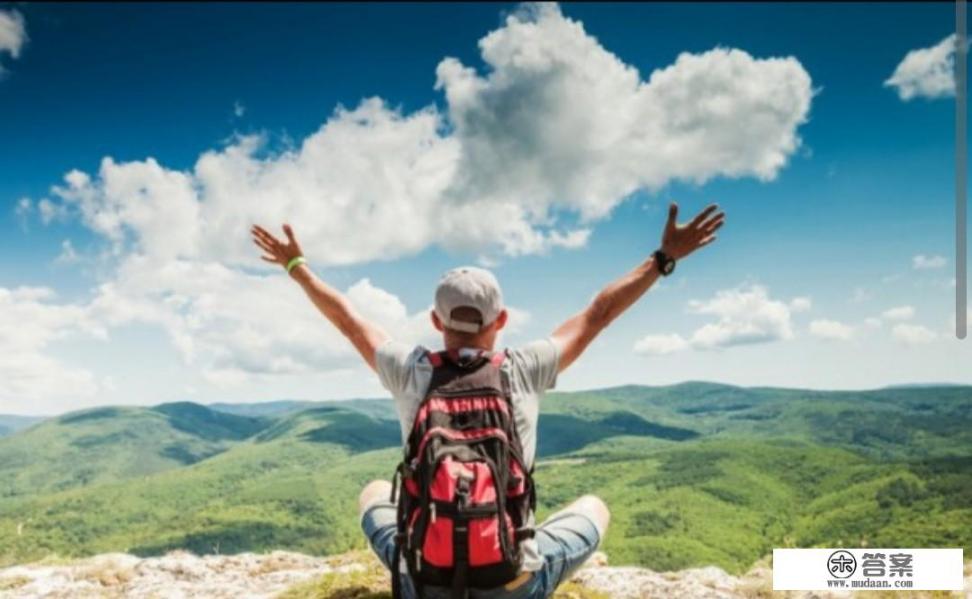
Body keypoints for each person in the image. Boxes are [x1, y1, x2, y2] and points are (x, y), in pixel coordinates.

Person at [250, 202, 724, 598]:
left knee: (374, 493)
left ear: (436, 323)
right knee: (595, 506)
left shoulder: (409, 370)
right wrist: (663, 257)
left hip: (425, 583)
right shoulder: (524, 368)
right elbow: (597, 314)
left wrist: (297, 266)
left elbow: (351, 321)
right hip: (512, 584)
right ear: (501, 319)